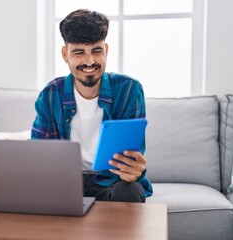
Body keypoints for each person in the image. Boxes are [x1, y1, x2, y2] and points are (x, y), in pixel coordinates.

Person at [31, 9, 153, 202]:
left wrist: (133, 168)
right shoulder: (50, 94)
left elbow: (132, 155)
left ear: (106, 50)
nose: (89, 61)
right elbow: (40, 155)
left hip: (111, 180)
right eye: (79, 52)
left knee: (130, 191)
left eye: (96, 51)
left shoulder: (129, 89)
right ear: (65, 54)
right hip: (65, 183)